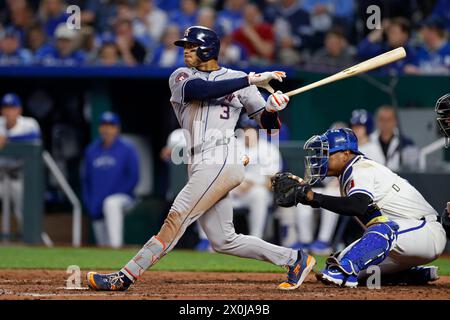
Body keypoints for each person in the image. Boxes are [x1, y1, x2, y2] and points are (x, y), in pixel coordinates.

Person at [87, 26, 315, 291]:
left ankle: (125, 276)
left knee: (176, 218)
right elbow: (200, 90)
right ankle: (295, 259)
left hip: (221, 157)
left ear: (208, 49)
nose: (186, 51)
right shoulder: (181, 76)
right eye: (185, 47)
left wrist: (273, 109)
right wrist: (250, 81)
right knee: (224, 240)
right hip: (198, 160)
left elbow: (269, 126)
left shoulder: (239, 78)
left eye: (191, 46)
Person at [272, 128, 446, 287]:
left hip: (425, 232)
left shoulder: (360, 168)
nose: (321, 158)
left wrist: (313, 197)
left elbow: (358, 206)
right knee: (336, 261)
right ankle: (411, 276)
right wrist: (310, 198)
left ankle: (345, 270)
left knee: (346, 266)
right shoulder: (348, 174)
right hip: (401, 243)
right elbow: (363, 209)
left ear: (346, 154)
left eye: (326, 153)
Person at [81, 112, 139, 248]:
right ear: (100, 128)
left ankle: (116, 247)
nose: (107, 129)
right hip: (97, 202)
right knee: (102, 244)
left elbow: (134, 178)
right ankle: (108, 257)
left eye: (111, 125)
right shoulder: (91, 150)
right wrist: (90, 203)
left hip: (124, 198)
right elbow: (86, 180)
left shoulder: (127, 149)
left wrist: (106, 197)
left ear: (117, 128)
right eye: (104, 125)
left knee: (110, 203)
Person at [0, 93, 41, 230]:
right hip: (1, 176)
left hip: (19, 176)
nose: (9, 111)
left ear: (19, 110)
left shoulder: (29, 123)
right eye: (6, 108)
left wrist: (8, 138)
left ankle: (30, 244)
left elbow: (35, 137)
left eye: (12, 108)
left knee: (23, 212)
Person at [369, 105, 419, 171]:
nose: (385, 123)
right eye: (382, 119)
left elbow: (414, 166)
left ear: (395, 121)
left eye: (389, 120)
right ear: (376, 121)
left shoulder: (406, 143)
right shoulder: (369, 141)